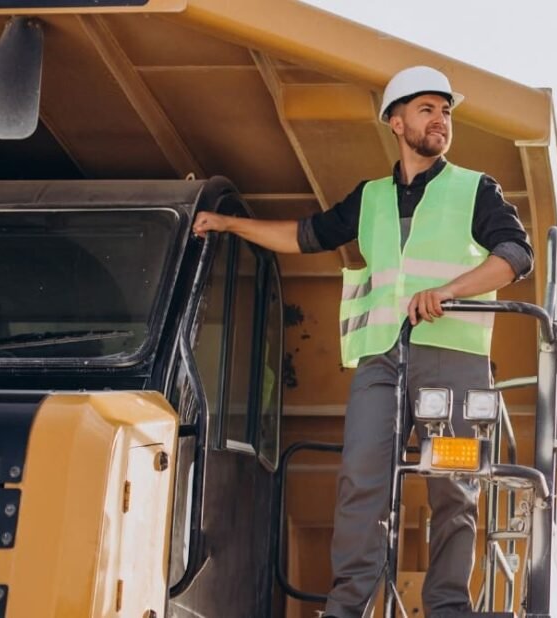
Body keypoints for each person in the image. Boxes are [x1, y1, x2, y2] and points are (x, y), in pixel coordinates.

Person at [192, 65, 532, 618]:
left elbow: (516, 256)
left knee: (454, 486)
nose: (440, 120)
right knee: (361, 483)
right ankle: (347, 609)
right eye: (427, 110)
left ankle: (447, 606)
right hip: (381, 360)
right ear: (396, 123)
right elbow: (307, 235)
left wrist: (447, 290)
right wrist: (232, 227)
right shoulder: (371, 197)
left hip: (453, 358)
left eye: (446, 112)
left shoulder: (476, 189)